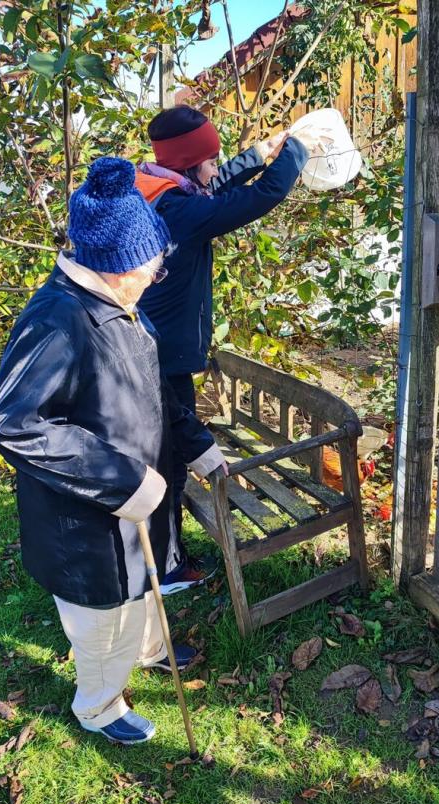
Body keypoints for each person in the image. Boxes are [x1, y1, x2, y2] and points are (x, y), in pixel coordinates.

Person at [0, 157, 227, 745]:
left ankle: (148, 649)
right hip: (88, 519)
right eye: (153, 262)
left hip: (138, 500)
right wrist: (121, 480)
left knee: (144, 586)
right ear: (119, 264)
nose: (158, 272)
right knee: (101, 625)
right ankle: (97, 704)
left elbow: (154, 388)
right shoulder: (57, 321)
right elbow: (15, 423)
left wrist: (196, 447)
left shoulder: (121, 303)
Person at [135, 104, 329, 595]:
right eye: (211, 157)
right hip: (160, 353)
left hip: (156, 343)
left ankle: (163, 556)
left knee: (166, 457)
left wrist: (259, 153)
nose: (216, 166)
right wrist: (299, 151)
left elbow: (213, 186)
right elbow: (258, 197)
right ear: (188, 161)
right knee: (169, 462)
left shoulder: (159, 187)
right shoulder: (178, 210)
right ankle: (165, 569)